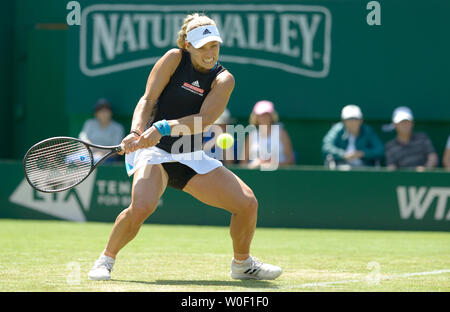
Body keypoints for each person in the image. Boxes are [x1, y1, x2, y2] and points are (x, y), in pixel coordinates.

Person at [88, 13, 282, 281]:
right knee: (142, 206)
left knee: (247, 204)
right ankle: (105, 260)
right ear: (187, 46)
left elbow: (204, 121)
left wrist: (164, 127)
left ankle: (242, 264)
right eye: (202, 47)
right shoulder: (173, 59)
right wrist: (136, 131)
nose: (209, 53)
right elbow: (147, 99)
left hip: (189, 154)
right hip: (153, 152)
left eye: (214, 45)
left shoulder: (224, 79)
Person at [240, 100, 295, 169]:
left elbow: (290, 159)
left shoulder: (281, 133)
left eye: (267, 115)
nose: (264, 118)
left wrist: (274, 164)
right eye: (261, 115)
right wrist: (254, 165)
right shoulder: (251, 135)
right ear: (256, 117)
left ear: (272, 116)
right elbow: (243, 164)